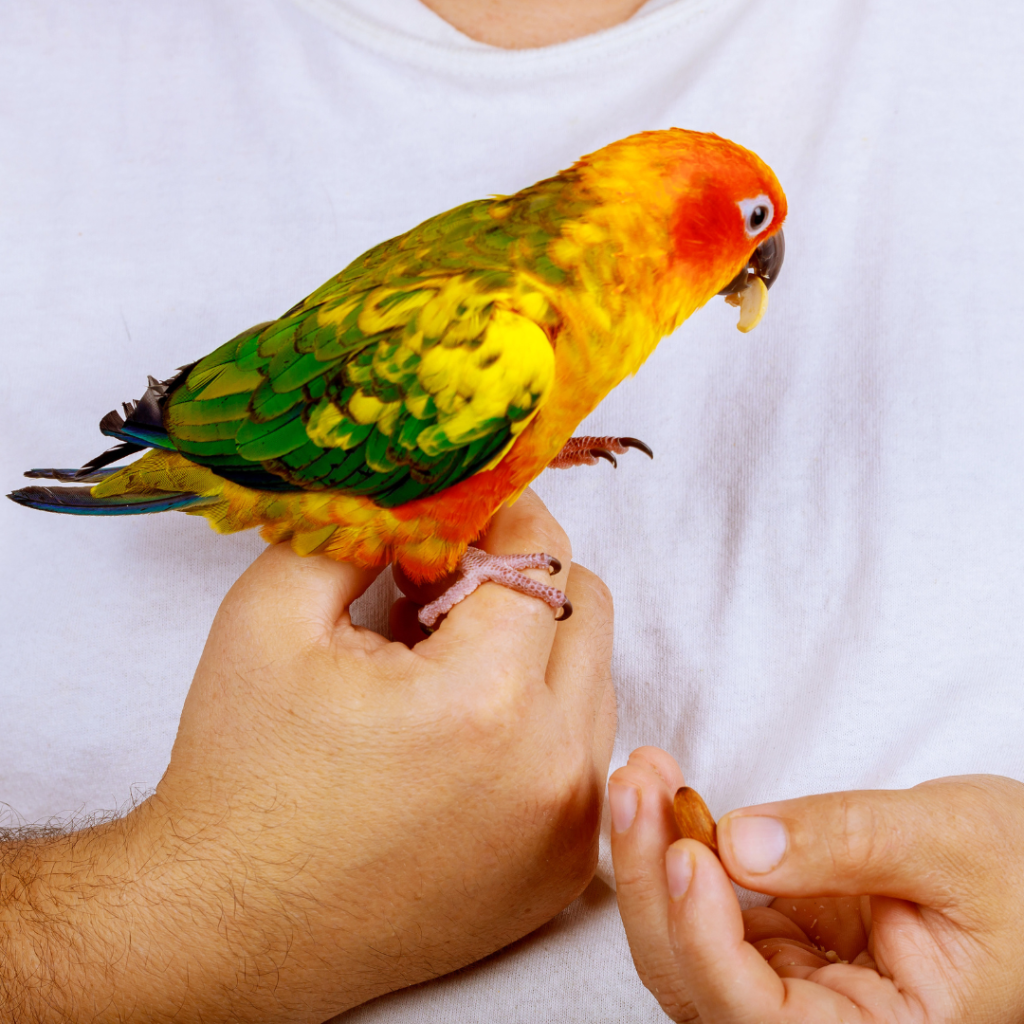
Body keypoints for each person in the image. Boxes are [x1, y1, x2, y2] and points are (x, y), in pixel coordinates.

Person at [1, 0, 1022, 1020]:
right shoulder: (504, 340)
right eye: (756, 222)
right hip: (265, 445)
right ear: (682, 217)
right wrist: (208, 907)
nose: (764, 254)